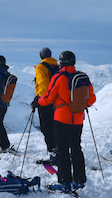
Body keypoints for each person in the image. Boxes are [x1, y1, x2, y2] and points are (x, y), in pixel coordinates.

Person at [38, 51, 96, 192]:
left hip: (61, 119)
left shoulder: (59, 77)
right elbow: (92, 99)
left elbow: (48, 97)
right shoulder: (83, 77)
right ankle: (80, 180)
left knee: (62, 150)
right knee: (76, 148)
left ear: (61, 62)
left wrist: (39, 101)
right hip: (77, 119)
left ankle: (65, 182)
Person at [32, 47, 59, 163]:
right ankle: (59, 150)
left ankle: (53, 153)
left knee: (46, 127)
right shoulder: (57, 67)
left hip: (46, 101)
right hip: (57, 101)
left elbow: (43, 85)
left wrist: (39, 99)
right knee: (55, 126)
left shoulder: (41, 67)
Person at [0, 55, 16, 153]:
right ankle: (4, 144)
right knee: (0, 123)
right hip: (5, 103)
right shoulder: (5, 73)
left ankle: (4, 145)